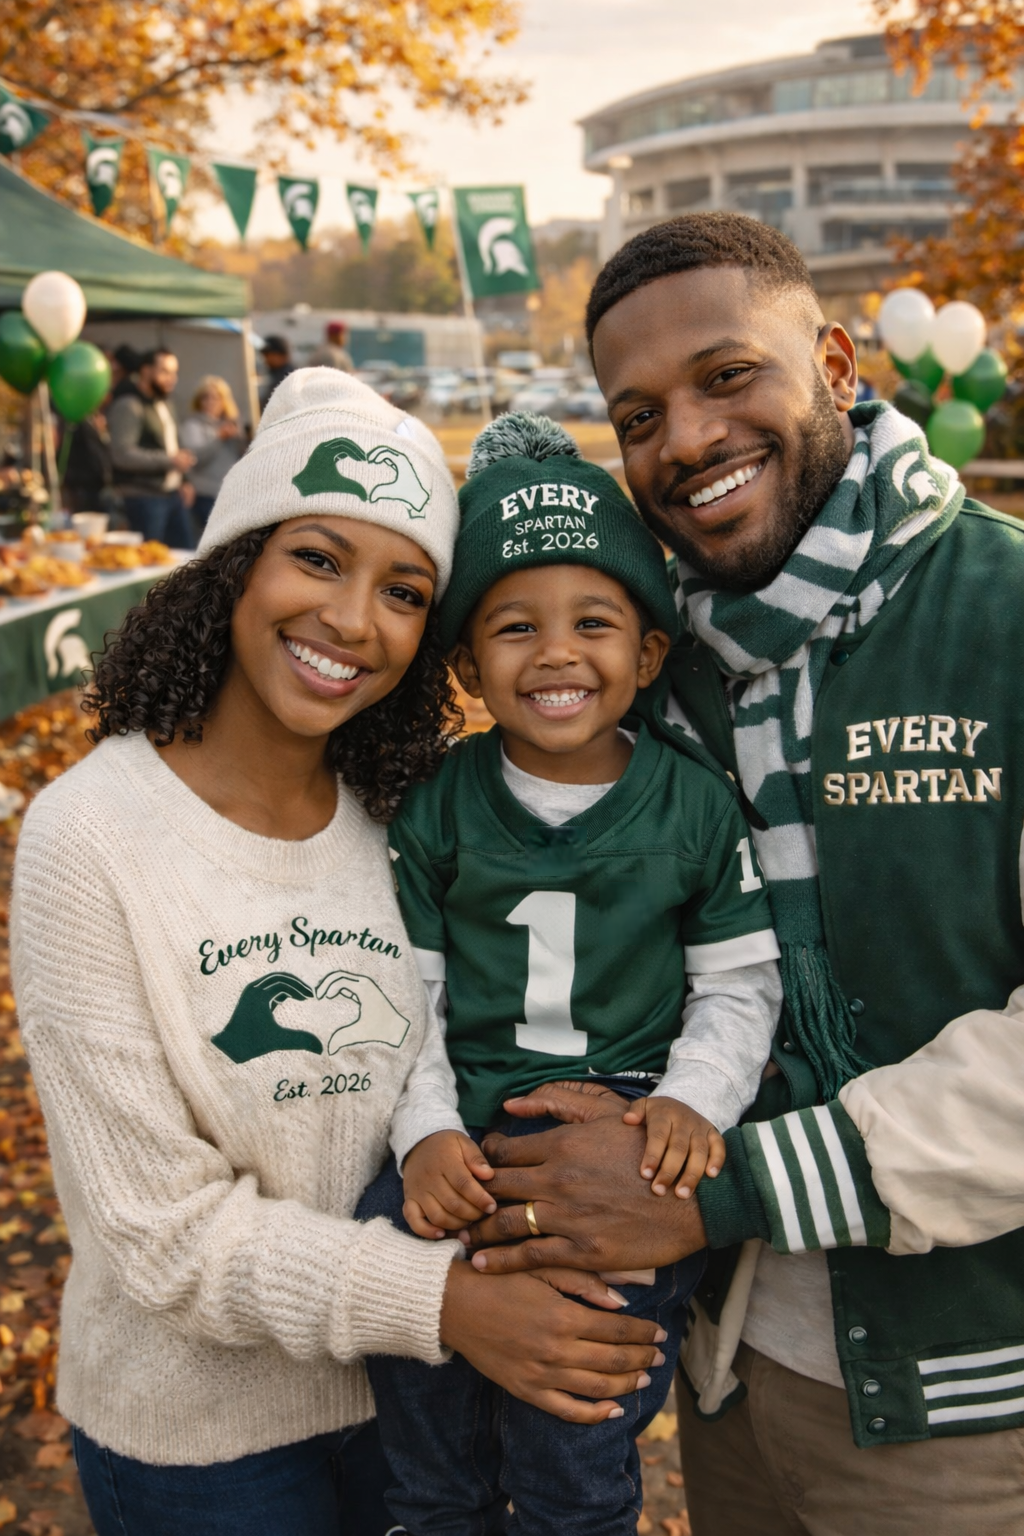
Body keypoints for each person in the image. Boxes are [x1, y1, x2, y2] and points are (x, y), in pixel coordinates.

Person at [10, 370, 664, 1536]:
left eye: (405, 591)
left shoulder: (412, 818)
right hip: (208, 1447)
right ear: (234, 565)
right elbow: (162, 1235)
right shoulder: (88, 835)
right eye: (316, 559)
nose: (355, 621)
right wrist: (447, 1304)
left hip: (422, 1409)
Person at [461, 213, 1024, 1535]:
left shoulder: (1002, 615)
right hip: (722, 1381)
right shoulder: (656, 669)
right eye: (639, 414)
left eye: (728, 377)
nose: (690, 440)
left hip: (974, 1410)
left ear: (834, 362)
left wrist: (728, 1184)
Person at [357, 410, 782, 1535]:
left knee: (573, 1449)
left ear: (646, 653)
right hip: (460, 1138)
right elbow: (408, 997)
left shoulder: (692, 804)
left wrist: (692, 1102)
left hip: (626, 1135)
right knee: (427, 1435)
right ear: (465, 662)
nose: (554, 654)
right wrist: (424, 1134)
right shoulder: (442, 806)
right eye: (513, 628)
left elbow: (739, 984)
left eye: (593, 623)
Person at [107, 347, 196, 547]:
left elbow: (174, 444)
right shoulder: (129, 405)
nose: (171, 378)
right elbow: (122, 454)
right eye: (165, 371)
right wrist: (170, 461)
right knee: (150, 564)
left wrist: (185, 479)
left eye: (174, 373)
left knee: (186, 561)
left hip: (172, 494)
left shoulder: (165, 403)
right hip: (144, 497)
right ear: (146, 371)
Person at [179, 374, 246, 532]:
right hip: (204, 494)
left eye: (216, 398)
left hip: (229, 495)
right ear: (198, 401)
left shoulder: (231, 424)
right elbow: (194, 458)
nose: (210, 402)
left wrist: (239, 438)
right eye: (205, 398)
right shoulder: (192, 425)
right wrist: (218, 438)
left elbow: (243, 458)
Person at [258, 333, 296, 408]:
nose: (266, 360)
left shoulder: (288, 377)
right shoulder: (275, 373)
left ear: (280, 355)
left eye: (268, 355)